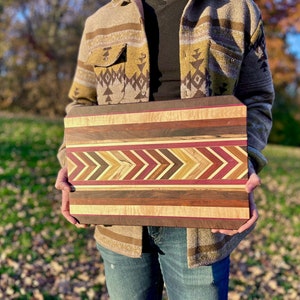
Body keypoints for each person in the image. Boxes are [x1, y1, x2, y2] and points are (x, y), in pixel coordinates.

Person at [55, 0, 274, 299]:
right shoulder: (100, 21)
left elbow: (258, 99)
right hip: (117, 216)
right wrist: (72, 162)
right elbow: (80, 105)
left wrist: (244, 157)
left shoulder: (238, 11)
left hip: (203, 222)